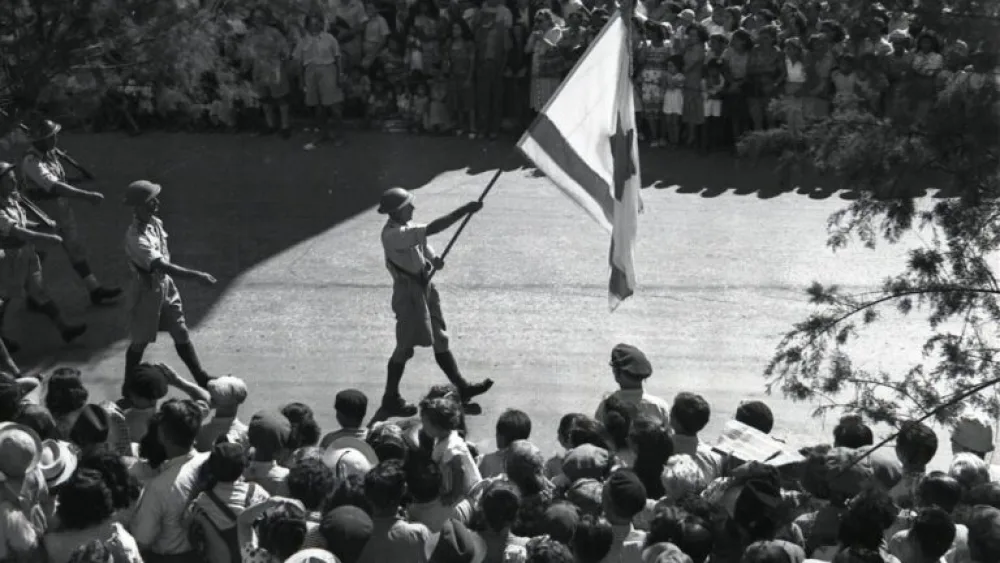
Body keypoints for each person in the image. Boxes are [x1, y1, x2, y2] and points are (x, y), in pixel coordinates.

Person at [376, 187, 493, 416]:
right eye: (409, 205)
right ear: (398, 211)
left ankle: (462, 387)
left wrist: (433, 258)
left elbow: (422, 243)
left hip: (424, 286)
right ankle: (390, 398)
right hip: (408, 293)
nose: (413, 208)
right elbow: (432, 229)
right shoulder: (392, 234)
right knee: (404, 347)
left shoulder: (405, 227)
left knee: (440, 337)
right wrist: (464, 210)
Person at [121, 180, 217, 403]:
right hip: (147, 290)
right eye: (151, 200)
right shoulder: (136, 237)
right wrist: (197, 276)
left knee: (181, 331)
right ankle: (128, 388)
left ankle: (201, 377)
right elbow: (162, 265)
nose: (157, 202)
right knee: (140, 342)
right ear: (139, 206)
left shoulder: (156, 223)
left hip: (165, 285)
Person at [17, 119, 122, 308]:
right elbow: (54, 186)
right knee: (40, 256)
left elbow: (60, 179)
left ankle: (94, 290)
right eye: (52, 136)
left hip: (62, 211)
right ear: (41, 140)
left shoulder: (50, 154)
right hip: (42, 214)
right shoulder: (31, 161)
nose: (56, 138)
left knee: (76, 250)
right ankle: (32, 297)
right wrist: (86, 195)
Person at [0, 161, 85, 373]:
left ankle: (63, 328)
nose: (14, 180)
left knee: (38, 291)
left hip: (27, 253)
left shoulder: (13, 198)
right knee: (4, 299)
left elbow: (22, 222)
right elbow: (18, 231)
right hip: (8, 258)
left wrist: (39, 224)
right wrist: (47, 237)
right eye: (8, 178)